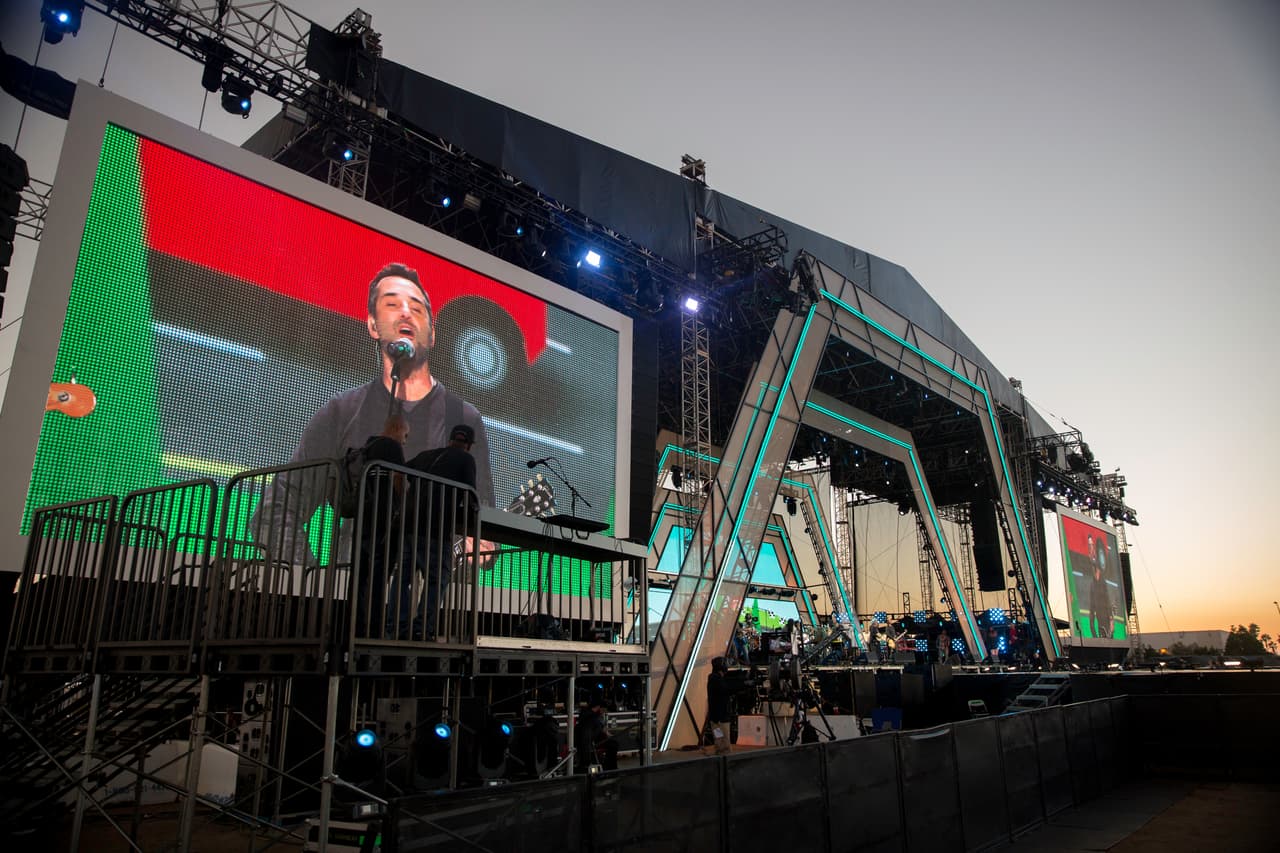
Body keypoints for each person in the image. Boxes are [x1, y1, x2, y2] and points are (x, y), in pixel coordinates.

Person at [255, 263, 495, 636]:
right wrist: (319, 585)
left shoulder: (463, 416)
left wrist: (477, 546)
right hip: (350, 612)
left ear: (432, 334)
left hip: (425, 608)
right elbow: (274, 511)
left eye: (417, 307)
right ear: (371, 325)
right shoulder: (341, 412)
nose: (405, 312)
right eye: (391, 303)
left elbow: (480, 521)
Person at [575, 695, 618, 771]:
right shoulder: (586, 714)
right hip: (588, 740)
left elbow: (603, 729)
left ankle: (611, 767)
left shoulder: (599, 716)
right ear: (598, 707)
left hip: (597, 738)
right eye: (603, 710)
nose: (604, 712)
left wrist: (609, 735)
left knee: (614, 743)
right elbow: (585, 731)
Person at [706, 656, 733, 755]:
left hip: (715, 718)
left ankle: (719, 758)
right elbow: (727, 690)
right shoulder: (717, 680)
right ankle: (725, 762)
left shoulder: (713, 678)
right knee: (724, 743)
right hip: (721, 718)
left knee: (719, 740)